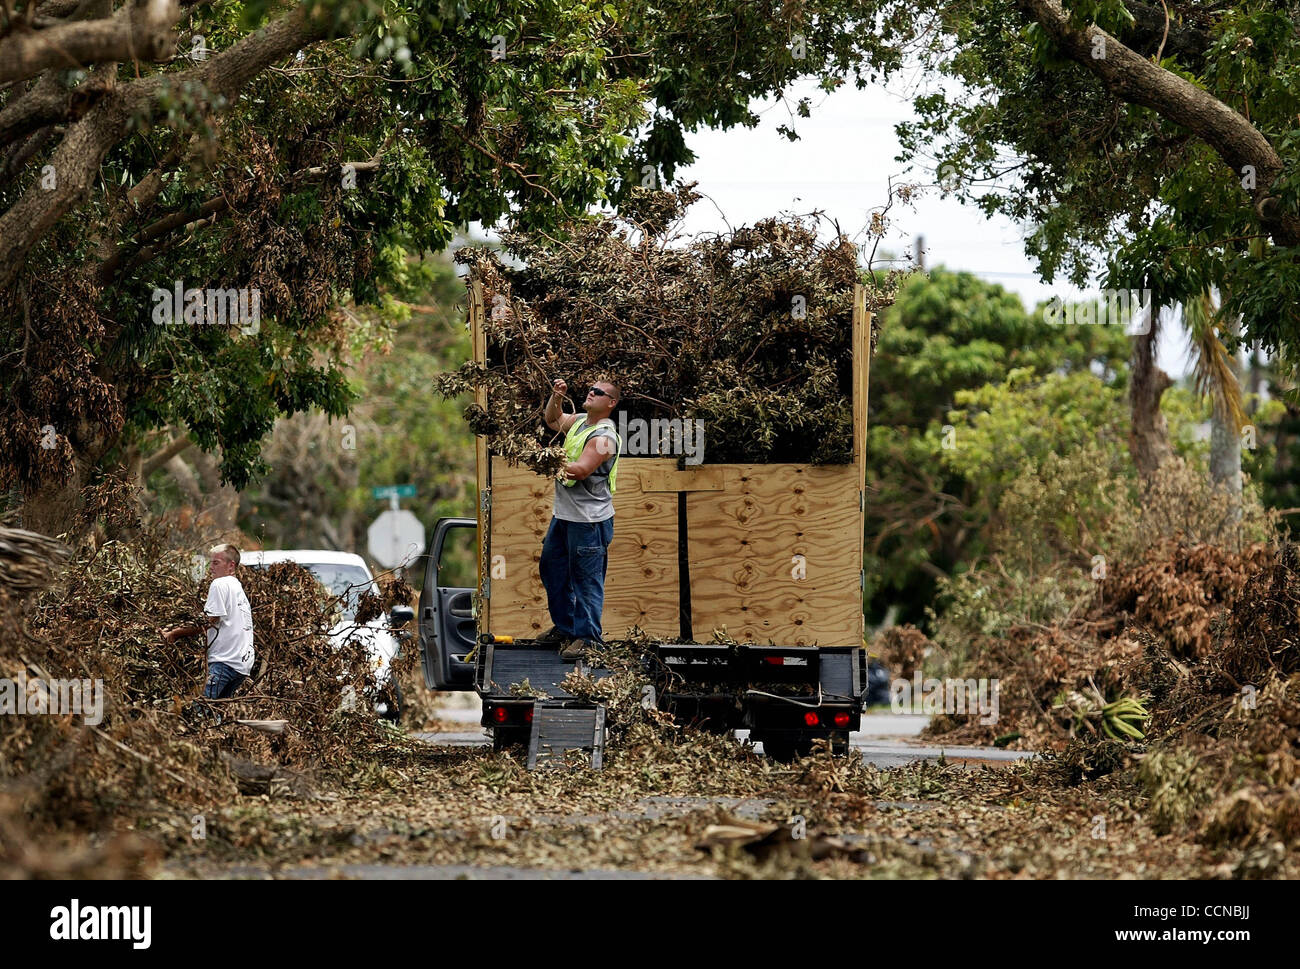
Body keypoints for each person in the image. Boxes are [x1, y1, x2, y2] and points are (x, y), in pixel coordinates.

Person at [538, 377, 622, 660]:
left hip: (589, 522)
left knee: (586, 579)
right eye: (591, 389)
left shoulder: (604, 438)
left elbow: (580, 470)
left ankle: (588, 638)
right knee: (552, 570)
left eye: (598, 392)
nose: (591, 392)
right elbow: (553, 420)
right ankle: (567, 627)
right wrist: (557, 396)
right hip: (564, 516)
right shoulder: (581, 421)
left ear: (610, 403)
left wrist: (544, 458)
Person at [161, 543, 255, 706]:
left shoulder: (220, 584)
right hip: (242, 665)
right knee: (215, 713)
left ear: (231, 565)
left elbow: (209, 621)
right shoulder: (236, 586)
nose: (211, 568)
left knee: (199, 711)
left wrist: (174, 633)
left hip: (225, 662)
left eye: (216, 563)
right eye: (210, 563)